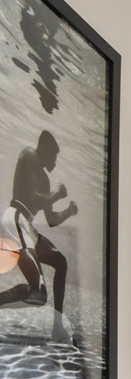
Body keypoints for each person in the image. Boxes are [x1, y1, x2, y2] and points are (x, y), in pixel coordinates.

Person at [0, 130, 77, 315]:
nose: (55, 162)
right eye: (54, 156)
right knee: (38, 292)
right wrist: (57, 195)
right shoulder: (29, 155)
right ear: (44, 149)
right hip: (16, 219)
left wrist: (68, 212)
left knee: (60, 262)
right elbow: (34, 199)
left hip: (26, 226)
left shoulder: (45, 181)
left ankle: (58, 324)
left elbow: (51, 220)